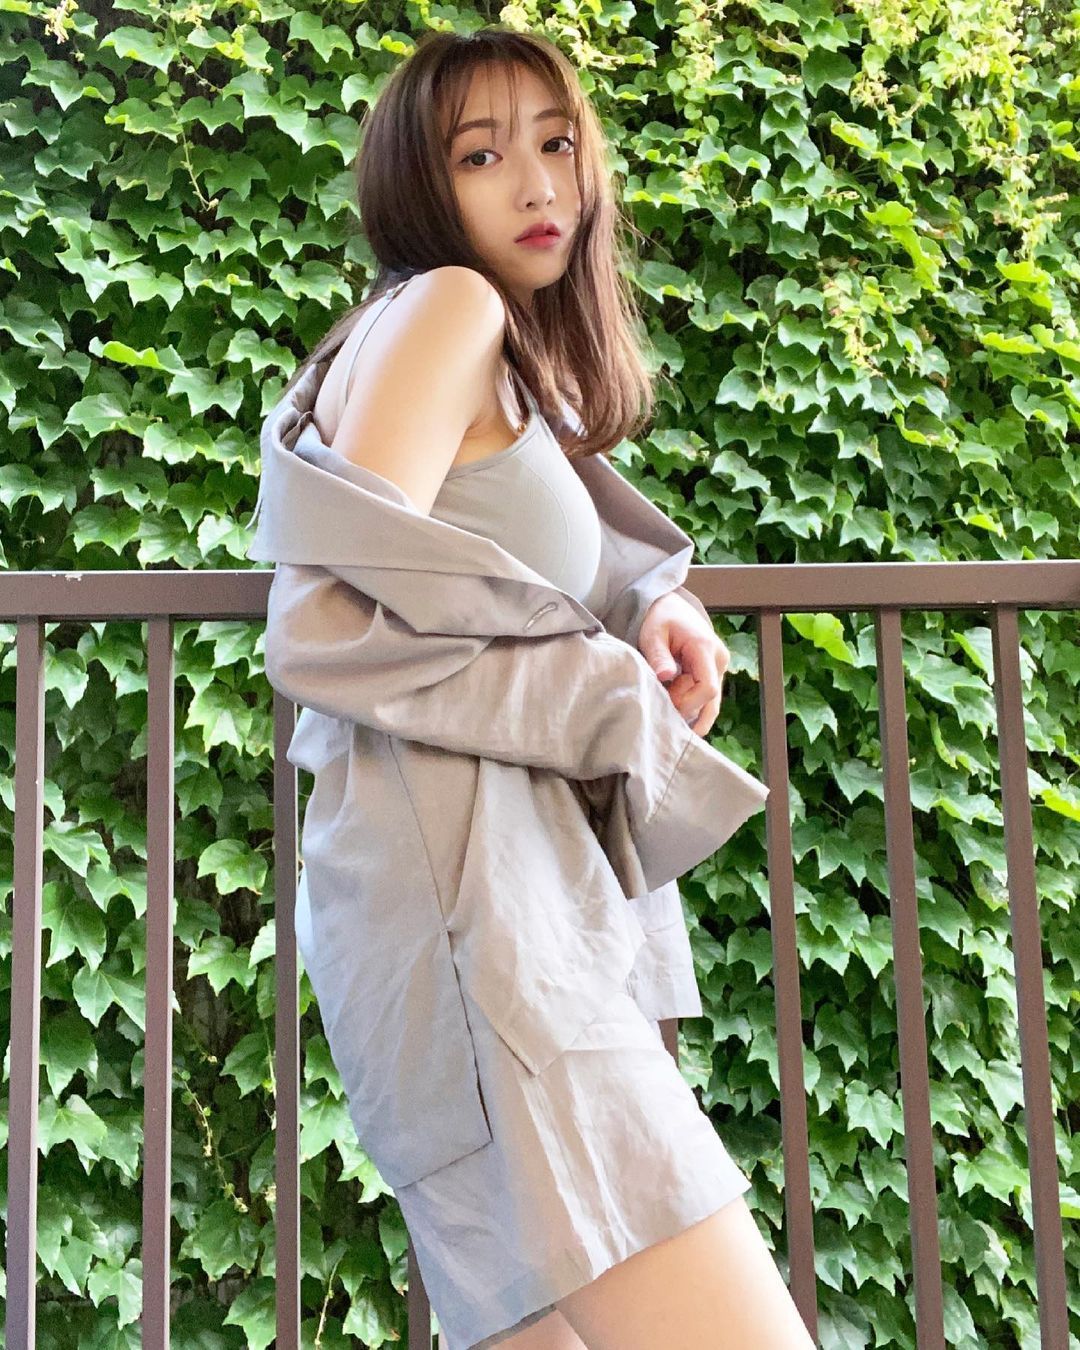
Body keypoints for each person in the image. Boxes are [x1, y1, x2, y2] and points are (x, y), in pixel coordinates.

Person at [253, 24, 816, 1350]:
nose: (537, 182)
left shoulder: (489, 350)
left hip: (474, 923)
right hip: (481, 937)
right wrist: (605, 696)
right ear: (420, 182)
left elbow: (479, 557)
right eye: (482, 154)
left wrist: (650, 600)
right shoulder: (449, 308)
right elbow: (329, 615)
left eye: (557, 143)